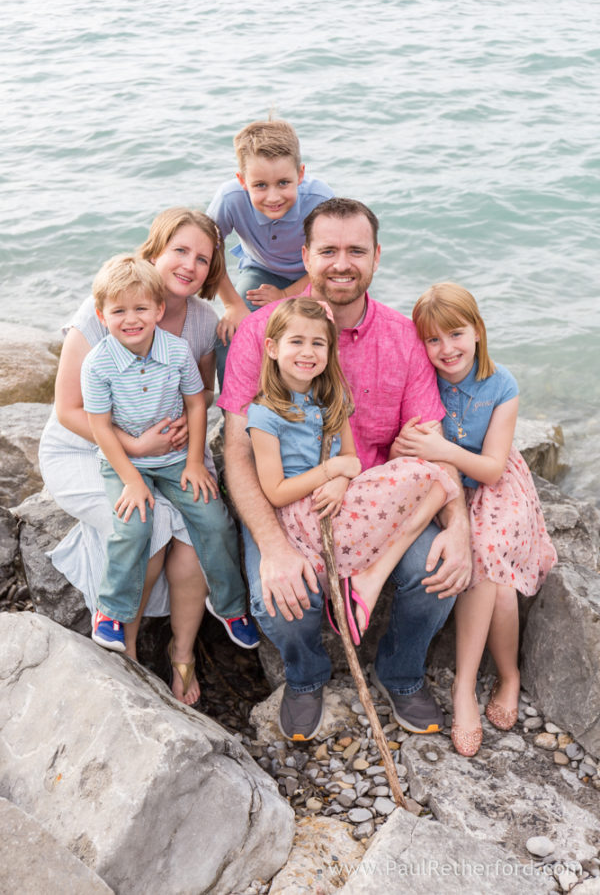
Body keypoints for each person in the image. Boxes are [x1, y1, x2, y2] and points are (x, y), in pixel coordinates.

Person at [218, 197, 472, 741]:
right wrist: (273, 545)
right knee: (279, 596)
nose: (341, 263)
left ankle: (401, 673)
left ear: (376, 257)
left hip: (377, 499)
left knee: (438, 570)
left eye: (356, 250)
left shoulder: (404, 338)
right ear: (305, 256)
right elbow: (237, 450)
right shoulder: (262, 333)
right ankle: (305, 675)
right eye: (328, 250)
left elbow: (433, 449)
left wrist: (460, 527)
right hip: (287, 499)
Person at [39, 208, 259, 707]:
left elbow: (198, 392)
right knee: (152, 521)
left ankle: (184, 654)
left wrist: (192, 451)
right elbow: (70, 410)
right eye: (179, 250)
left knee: (196, 528)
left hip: (167, 451)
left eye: (203, 259)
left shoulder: (200, 322)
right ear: (154, 251)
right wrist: (135, 448)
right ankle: (128, 654)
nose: (189, 265)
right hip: (88, 445)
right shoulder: (110, 308)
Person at [397, 282, 557, 756]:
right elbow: (404, 445)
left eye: (456, 334)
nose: (446, 349)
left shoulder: (501, 383)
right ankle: (495, 680)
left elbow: (490, 466)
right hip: (446, 488)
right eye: (432, 339)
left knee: (485, 557)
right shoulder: (423, 378)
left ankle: (475, 684)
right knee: (499, 589)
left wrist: (442, 448)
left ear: (478, 332)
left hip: (494, 484)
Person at [247, 297, 459, 648]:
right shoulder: (265, 415)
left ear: (330, 351)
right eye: (296, 342)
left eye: (318, 343)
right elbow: (276, 492)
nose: (307, 352)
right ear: (271, 347)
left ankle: (371, 577)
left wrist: (342, 480)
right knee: (431, 479)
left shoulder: (333, 399)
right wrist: (331, 472)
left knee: (439, 481)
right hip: (306, 513)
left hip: (341, 497)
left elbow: (352, 461)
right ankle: (364, 579)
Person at [81, 255, 248, 681]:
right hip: (124, 462)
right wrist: (132, 480)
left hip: (175, 459)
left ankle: (229, 608)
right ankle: (111, 611)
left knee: (213, 516)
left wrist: (194, 461)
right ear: (102, 316)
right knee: (134, 523)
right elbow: (99, 427)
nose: (131, 319)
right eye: (118, 311)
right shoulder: (98, 364)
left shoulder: (175, 351)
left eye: (140, 309)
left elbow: (197, 402)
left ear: (158, 309)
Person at [206, 118, 334, 388]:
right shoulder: (230, 199)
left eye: (284, 183)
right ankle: (235, 413)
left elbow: (332, 260)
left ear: (300, 175)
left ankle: (317, 407)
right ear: (242, 180)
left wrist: (288, 295)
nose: (273, 197)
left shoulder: (320, 200)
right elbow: (208, 249)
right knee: (230, 334)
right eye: (261, 185)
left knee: (324, 334)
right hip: (261, 270)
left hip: (314, 274)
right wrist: (233, 305)